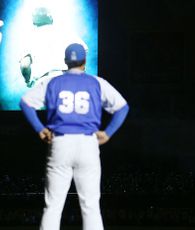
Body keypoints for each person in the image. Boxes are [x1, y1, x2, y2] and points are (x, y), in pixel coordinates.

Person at [19, 43, 129, 230]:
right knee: (91, 207)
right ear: (84, 62)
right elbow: (122, 107)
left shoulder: (53, 81)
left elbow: (25, 103)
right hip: (88, 143)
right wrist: (108, 133)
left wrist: (40, 128)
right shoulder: (96, 82)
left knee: (53, 207)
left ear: (65, 61)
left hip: (60, 142)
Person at [19, 6, 88, 87]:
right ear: (51, 18)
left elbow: (24, 65)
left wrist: (27, 81)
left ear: (33, 21)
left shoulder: (29, 38)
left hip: (44, 83)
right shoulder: (66, 32)